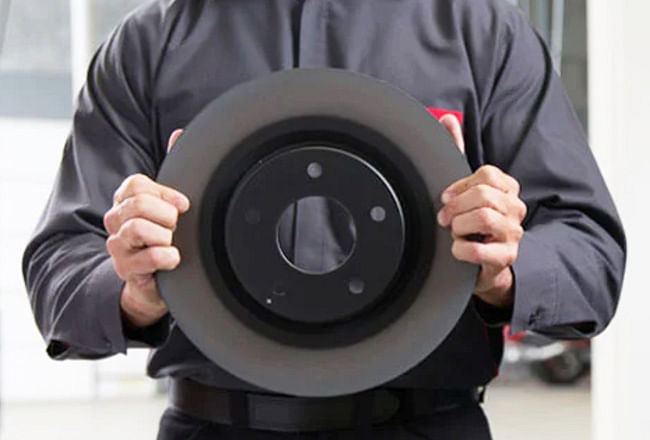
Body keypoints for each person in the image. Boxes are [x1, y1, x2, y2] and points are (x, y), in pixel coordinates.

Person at [22, 0, 626, 438]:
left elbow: (591, 257)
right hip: (213, 426)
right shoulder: (147, 44)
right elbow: (59, 270)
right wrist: (132, 293)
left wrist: (505, 270)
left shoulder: (484, 33)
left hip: (428, 425)